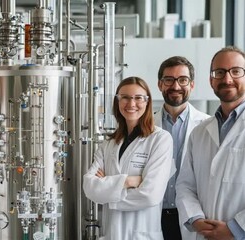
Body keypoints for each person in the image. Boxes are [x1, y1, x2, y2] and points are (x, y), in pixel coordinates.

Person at [83, 76, 174, 239]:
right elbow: (90, 188)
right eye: (125, 97)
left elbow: (150, 194)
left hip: (142, 233)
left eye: (138, 98)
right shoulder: (108, 144)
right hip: (111, 233)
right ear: (117, 102)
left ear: (147, 102)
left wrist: (109, 192)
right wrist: (129, 181)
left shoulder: (160, 139)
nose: (131, 104)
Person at [176, 46, 245, 240]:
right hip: (204, 234)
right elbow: (185, 185)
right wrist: (196, 219)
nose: (227, 79)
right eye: (220, 72)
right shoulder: (199, 132)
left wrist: (235, 229)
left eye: (236, 71)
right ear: (211, 80)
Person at [154, 56, 210, 240]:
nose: (176, 86)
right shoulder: (144, 126)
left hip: (190, 217)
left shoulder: (206, 126)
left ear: (191, 85)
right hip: (153, 216)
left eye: (183, 80)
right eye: (169, 80)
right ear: (160, 84)